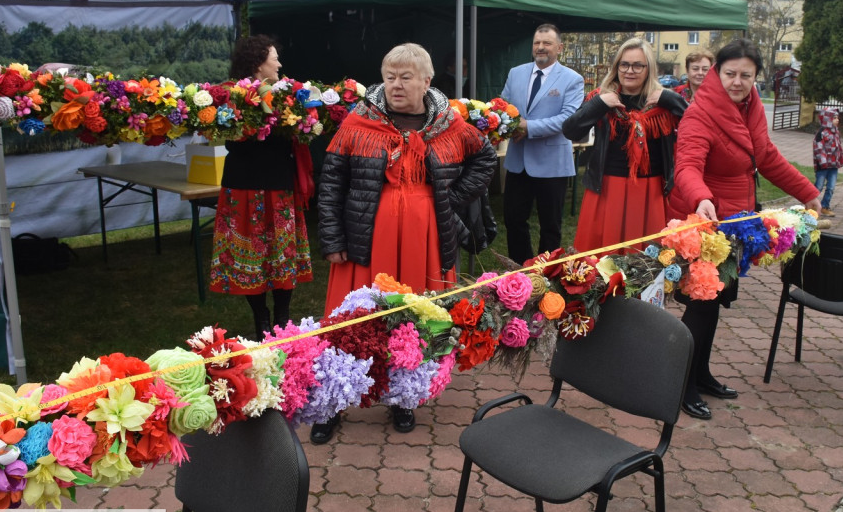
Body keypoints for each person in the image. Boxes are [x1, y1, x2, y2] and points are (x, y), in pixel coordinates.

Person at [316, 43, 497, 443]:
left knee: (418, 314)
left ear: (427, 81)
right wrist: (332, 237)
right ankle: (331, 400)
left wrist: (450, 197)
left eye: (406, 77)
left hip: (427, 235)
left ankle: (404, 395)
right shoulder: (357, 122)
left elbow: (485, 158)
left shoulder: (449, 124)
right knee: (353, 317)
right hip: (366, 233)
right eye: (390, 76)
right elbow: (331, 183)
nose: (396, 85)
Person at [669, 39, 821, 421]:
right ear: (717, 73)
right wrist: (701, 197)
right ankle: (680, 384)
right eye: (730, 73)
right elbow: (686, 165)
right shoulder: (700, 112)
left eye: (746, 75)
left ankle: (701, 374)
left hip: (738, 223)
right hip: (704, 220)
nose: (737, 82)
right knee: (701, 306)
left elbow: (765, 155)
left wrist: (808, 193)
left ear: (757, 77)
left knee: (717, 301)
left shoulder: (750, 106)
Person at [208, 35, 314, 340]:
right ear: (257, 63)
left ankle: (282, 315)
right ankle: (261, 317)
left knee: (282, 254)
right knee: (249, 256)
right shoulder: (229, 97)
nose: (279, 63)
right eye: (274, 57)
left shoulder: (288, 96)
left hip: (279, 185)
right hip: (243, 185)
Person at [562, 37, 687, 254]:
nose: (630, 70)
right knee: (602, 260)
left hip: (650, 192)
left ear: (649, 69)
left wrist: (669, 98)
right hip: (607, 190)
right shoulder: (602, 98)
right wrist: (599, 104)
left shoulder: (663, 102)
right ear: (617, 67)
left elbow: (696, 123)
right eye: (624, 64)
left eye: (638, 65)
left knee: (647, 261)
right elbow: (570, 130)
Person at [500, 24, 584, 264]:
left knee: (550, 226)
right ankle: (520, 270)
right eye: (537, 43)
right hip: (518, 162)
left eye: (546, 43)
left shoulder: (572, 79)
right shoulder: (516, 72)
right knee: (514, 220)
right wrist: (505, 126)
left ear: (559, 47)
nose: (540, 48)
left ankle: (546, 274)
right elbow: (503, 106)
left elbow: (567, 119)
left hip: (553, 165)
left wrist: (527, 128)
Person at [812, 107, 843, 217]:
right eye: (834, 118)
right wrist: (823, 161)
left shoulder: (836, 132)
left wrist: (840, 159)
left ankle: (825, 206)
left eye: (837, 117)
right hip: (823, 166)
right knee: (819, 186)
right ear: (827, 119)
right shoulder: (822, 133)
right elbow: (818, 148)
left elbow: (838, 147)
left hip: (833, 165)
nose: (837, 120)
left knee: (831, 187)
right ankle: (811, 205)